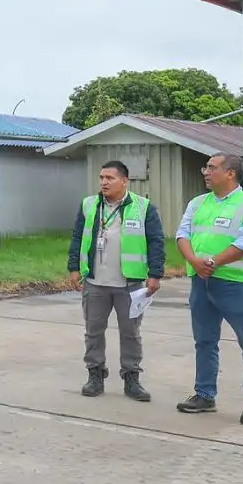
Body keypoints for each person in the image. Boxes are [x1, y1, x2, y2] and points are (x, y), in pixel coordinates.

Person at [173, 153, 243, 426]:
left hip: (235, 284)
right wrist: (194, 262)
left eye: (212, 167)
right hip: (201, 281)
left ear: (230, 173)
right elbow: (182, 234)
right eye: (205, 167)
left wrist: (213, 262)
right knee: (204, 341)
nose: (205, 171)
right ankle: (204, 394)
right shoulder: (197, 202)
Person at [68, 161, 166, 402]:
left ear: (124, 181)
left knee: (131, 332)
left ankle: (132, 377)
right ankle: (95, 374)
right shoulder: (89, 205)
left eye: (110, 178)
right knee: (93, 331)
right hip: (95, 282)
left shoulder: (144, 208)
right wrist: (73, 267)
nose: (104, 182)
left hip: (129, 284)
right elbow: (78, 236)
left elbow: (156, 242)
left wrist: (155, 274)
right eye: (102, 177)